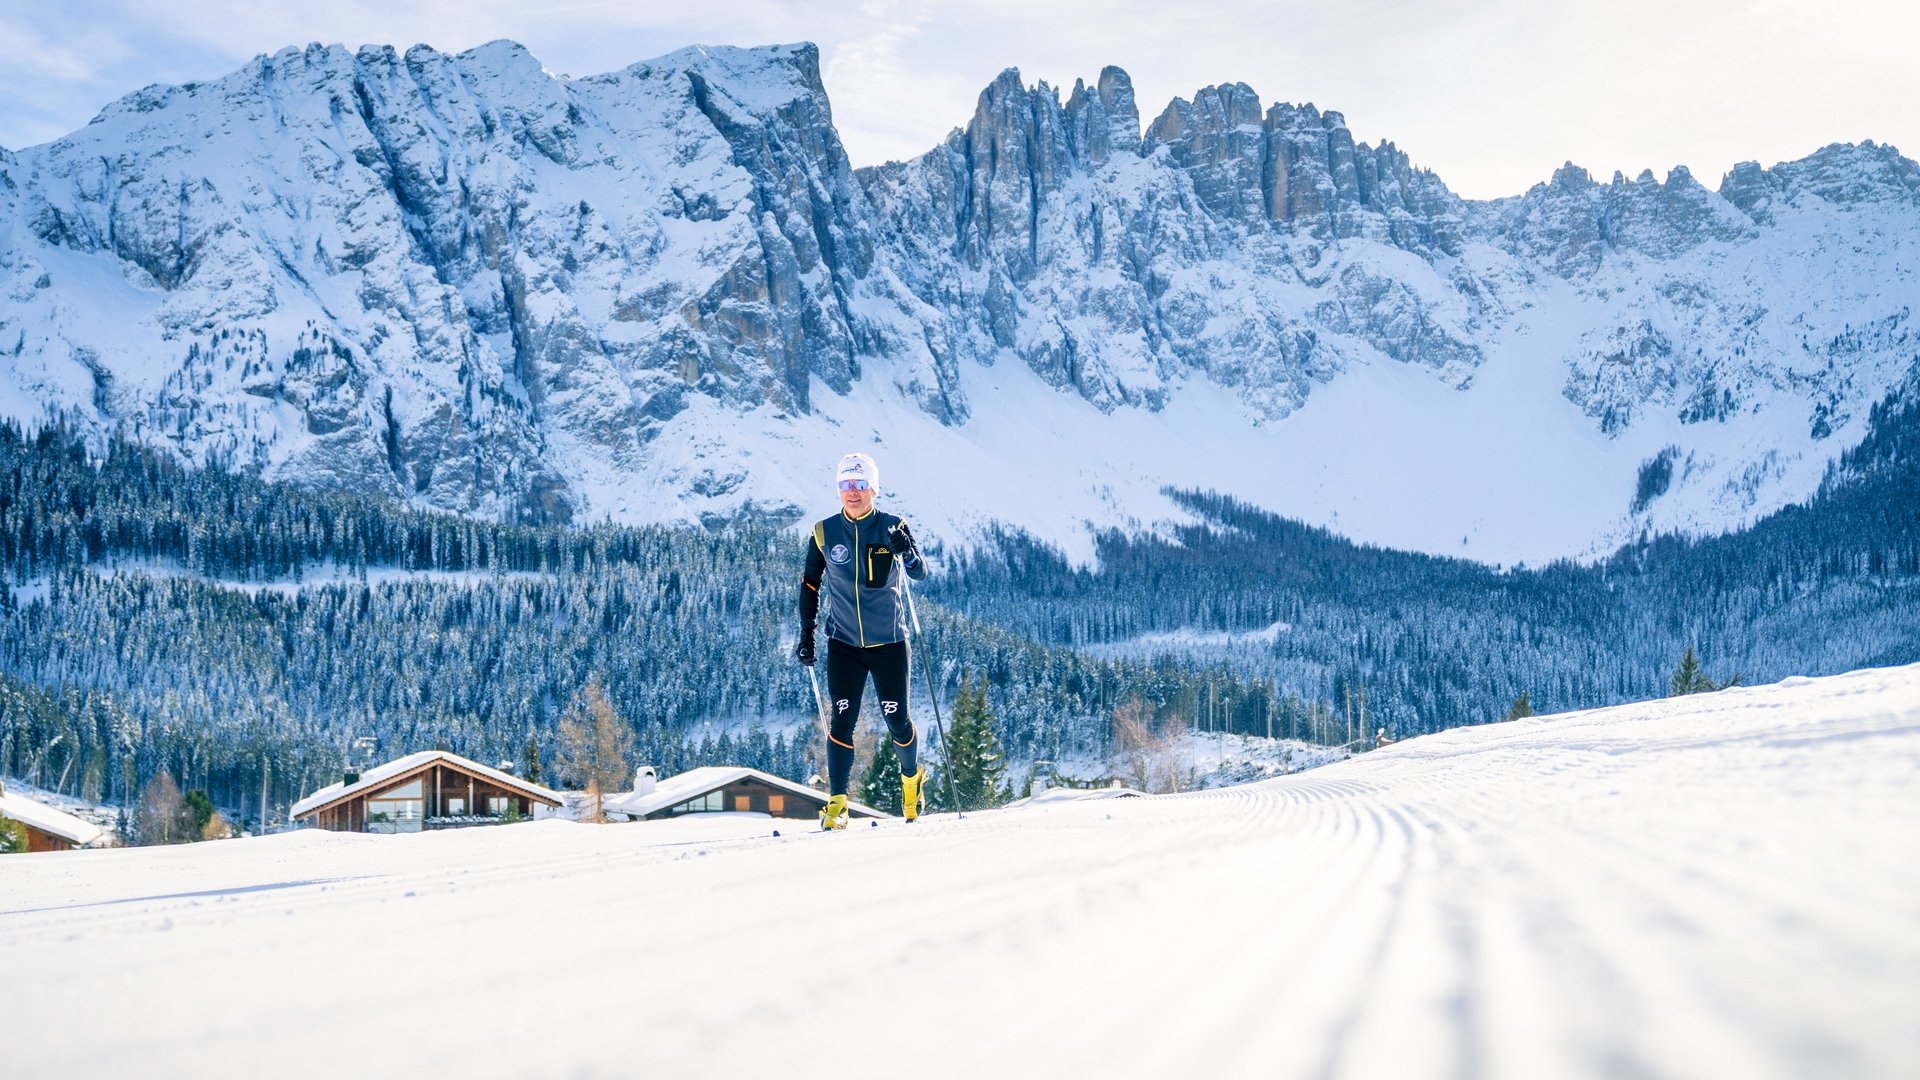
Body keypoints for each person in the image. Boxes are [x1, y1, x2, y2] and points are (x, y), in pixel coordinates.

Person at [796, 452, 928, 828]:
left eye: (859, 485)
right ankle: (837, 803)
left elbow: (919, 573)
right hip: (844, 644)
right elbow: (810, 583)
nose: (852, 493)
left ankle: (911, 780)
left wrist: (907, 553)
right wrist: (807, 633)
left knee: (897, 721)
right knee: (841, 723)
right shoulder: (824, 532)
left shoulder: (891, 526)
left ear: (873, 488)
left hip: (888, 642)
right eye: (845, 485)